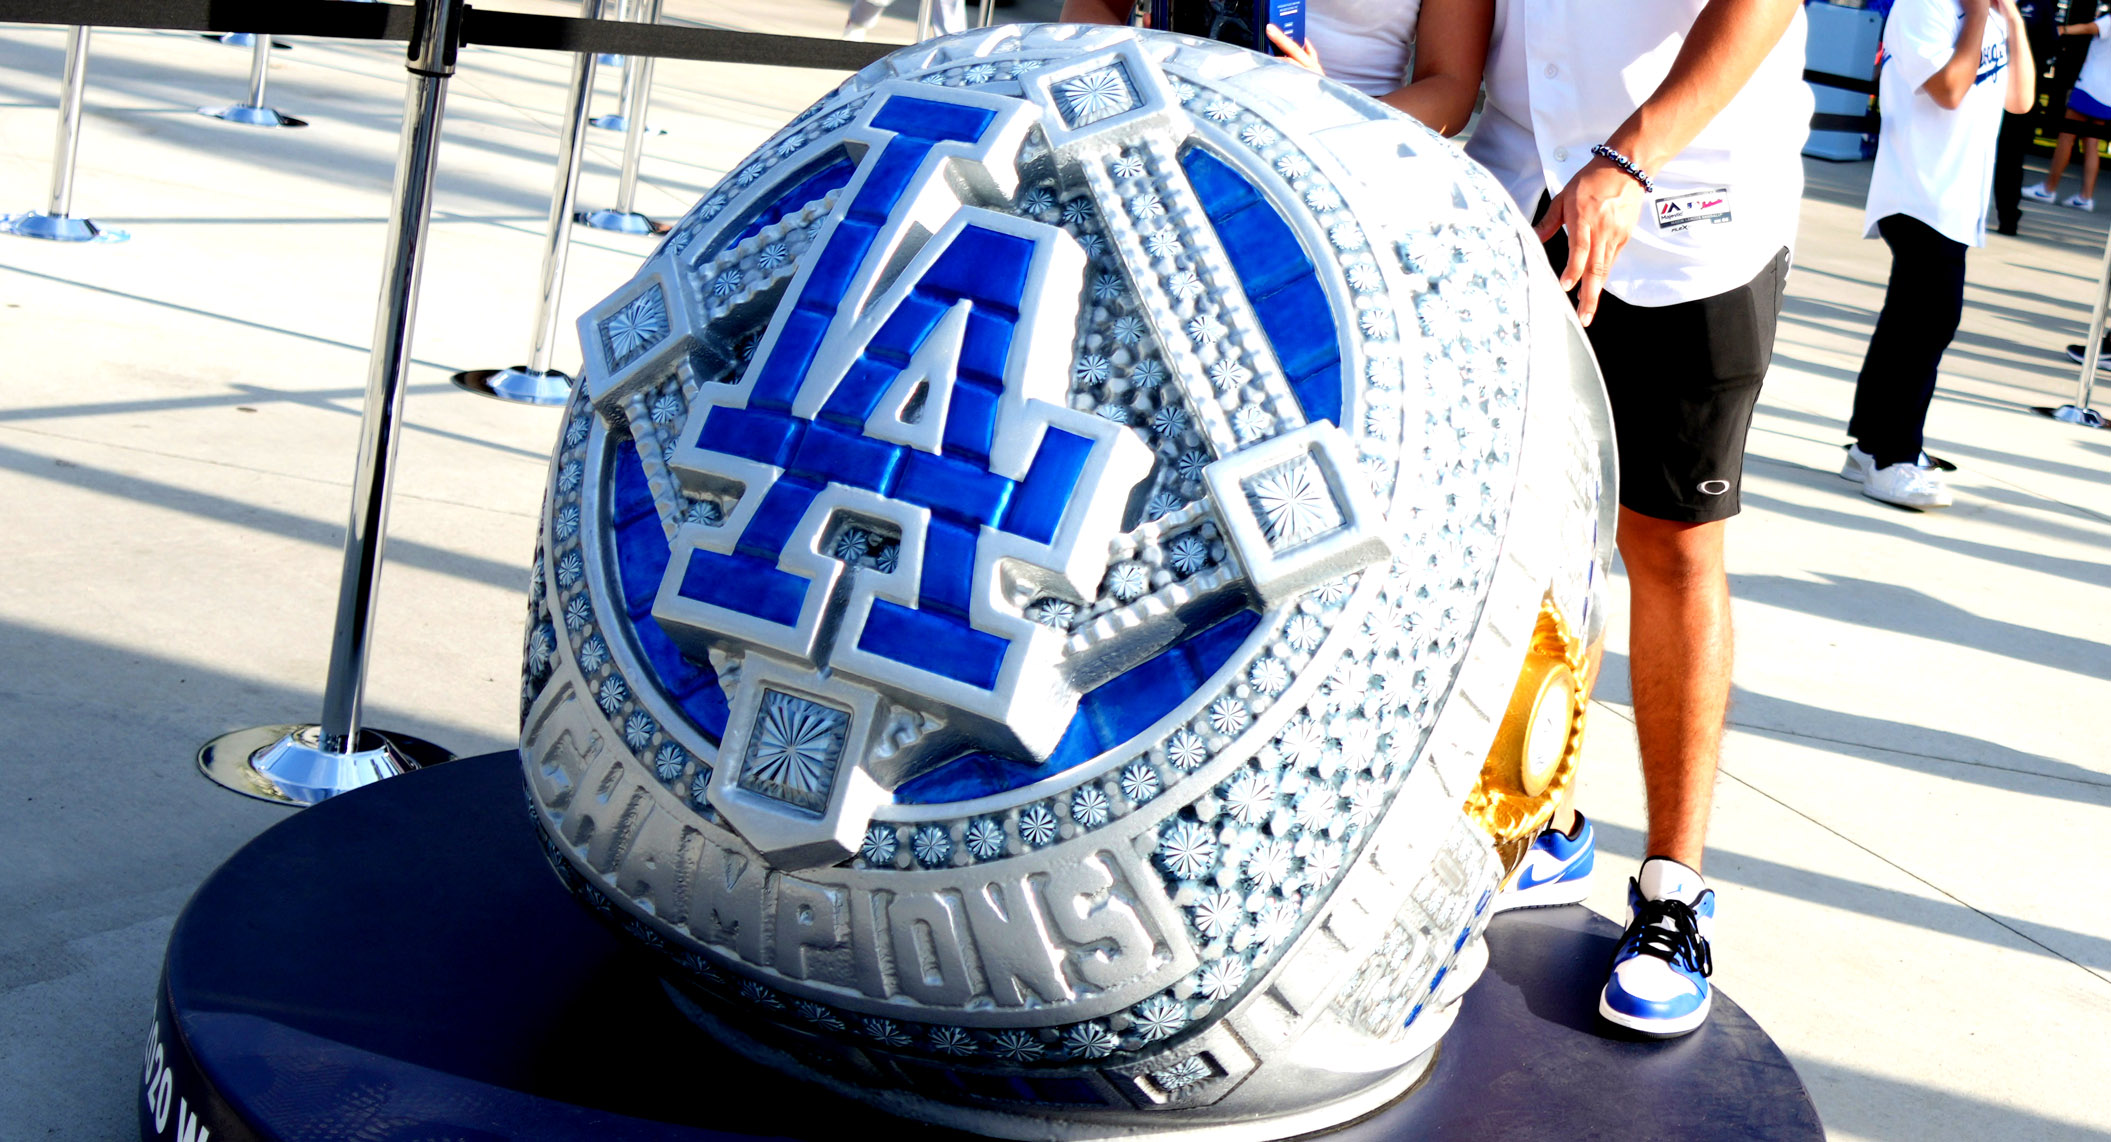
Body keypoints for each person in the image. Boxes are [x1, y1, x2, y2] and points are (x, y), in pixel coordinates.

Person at [1459, 0, 1810, 1038]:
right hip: (1515, 187)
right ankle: (1543, 821)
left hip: (1681, 209)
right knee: (1509, 522)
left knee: (1667, 543)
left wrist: (1629, 157)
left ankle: (1672, 892)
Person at [1846, 0, 2034, 509]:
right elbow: (1949, 91)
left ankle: (1868, 446)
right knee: (1930, 322)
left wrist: (2010, 18)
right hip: (1918, 193)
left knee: (1906, 319)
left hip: (1953, 198)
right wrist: (1976, 16)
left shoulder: (1991, 12)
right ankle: (1895, 460)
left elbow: (2020, 100)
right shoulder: (1923, 7)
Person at [1057, 0, 1493, 136]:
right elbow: (1089, 8)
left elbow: (1452, 87)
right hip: (1161, 124)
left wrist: (1334, 111)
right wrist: (1130, 53)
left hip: (1340, 153)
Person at [2021, 13, 2111, 211]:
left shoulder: (2108, 21)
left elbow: (2089, 27)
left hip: (2088, 88)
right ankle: (2085, 196)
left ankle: (2048, 188)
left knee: (2066, 138)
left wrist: (2063, 30)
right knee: (2091, 143)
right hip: (2106, 95)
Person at [1991, 0, 2059, 235]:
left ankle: (2008, 218)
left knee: (2010, 160)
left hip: (2019, 92)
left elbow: (2052, 45)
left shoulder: (2039, 5)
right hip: (1983, 87)